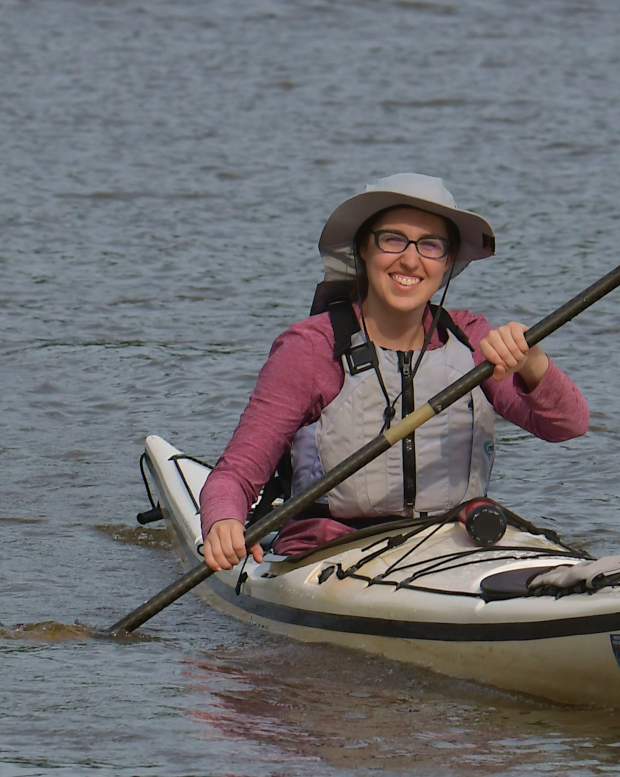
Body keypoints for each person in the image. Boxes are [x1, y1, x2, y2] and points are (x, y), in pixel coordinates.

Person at [199, 173, 589, 569]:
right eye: (392, 240)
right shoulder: (310, 349)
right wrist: (225, 520)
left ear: (447, 261)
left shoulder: (472, 340)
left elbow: (567, 425)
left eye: (430, 245)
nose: (410, 259)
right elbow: (235, 475)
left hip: (450, 550)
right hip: (330, 555)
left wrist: (534, 363)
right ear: (363, 250)